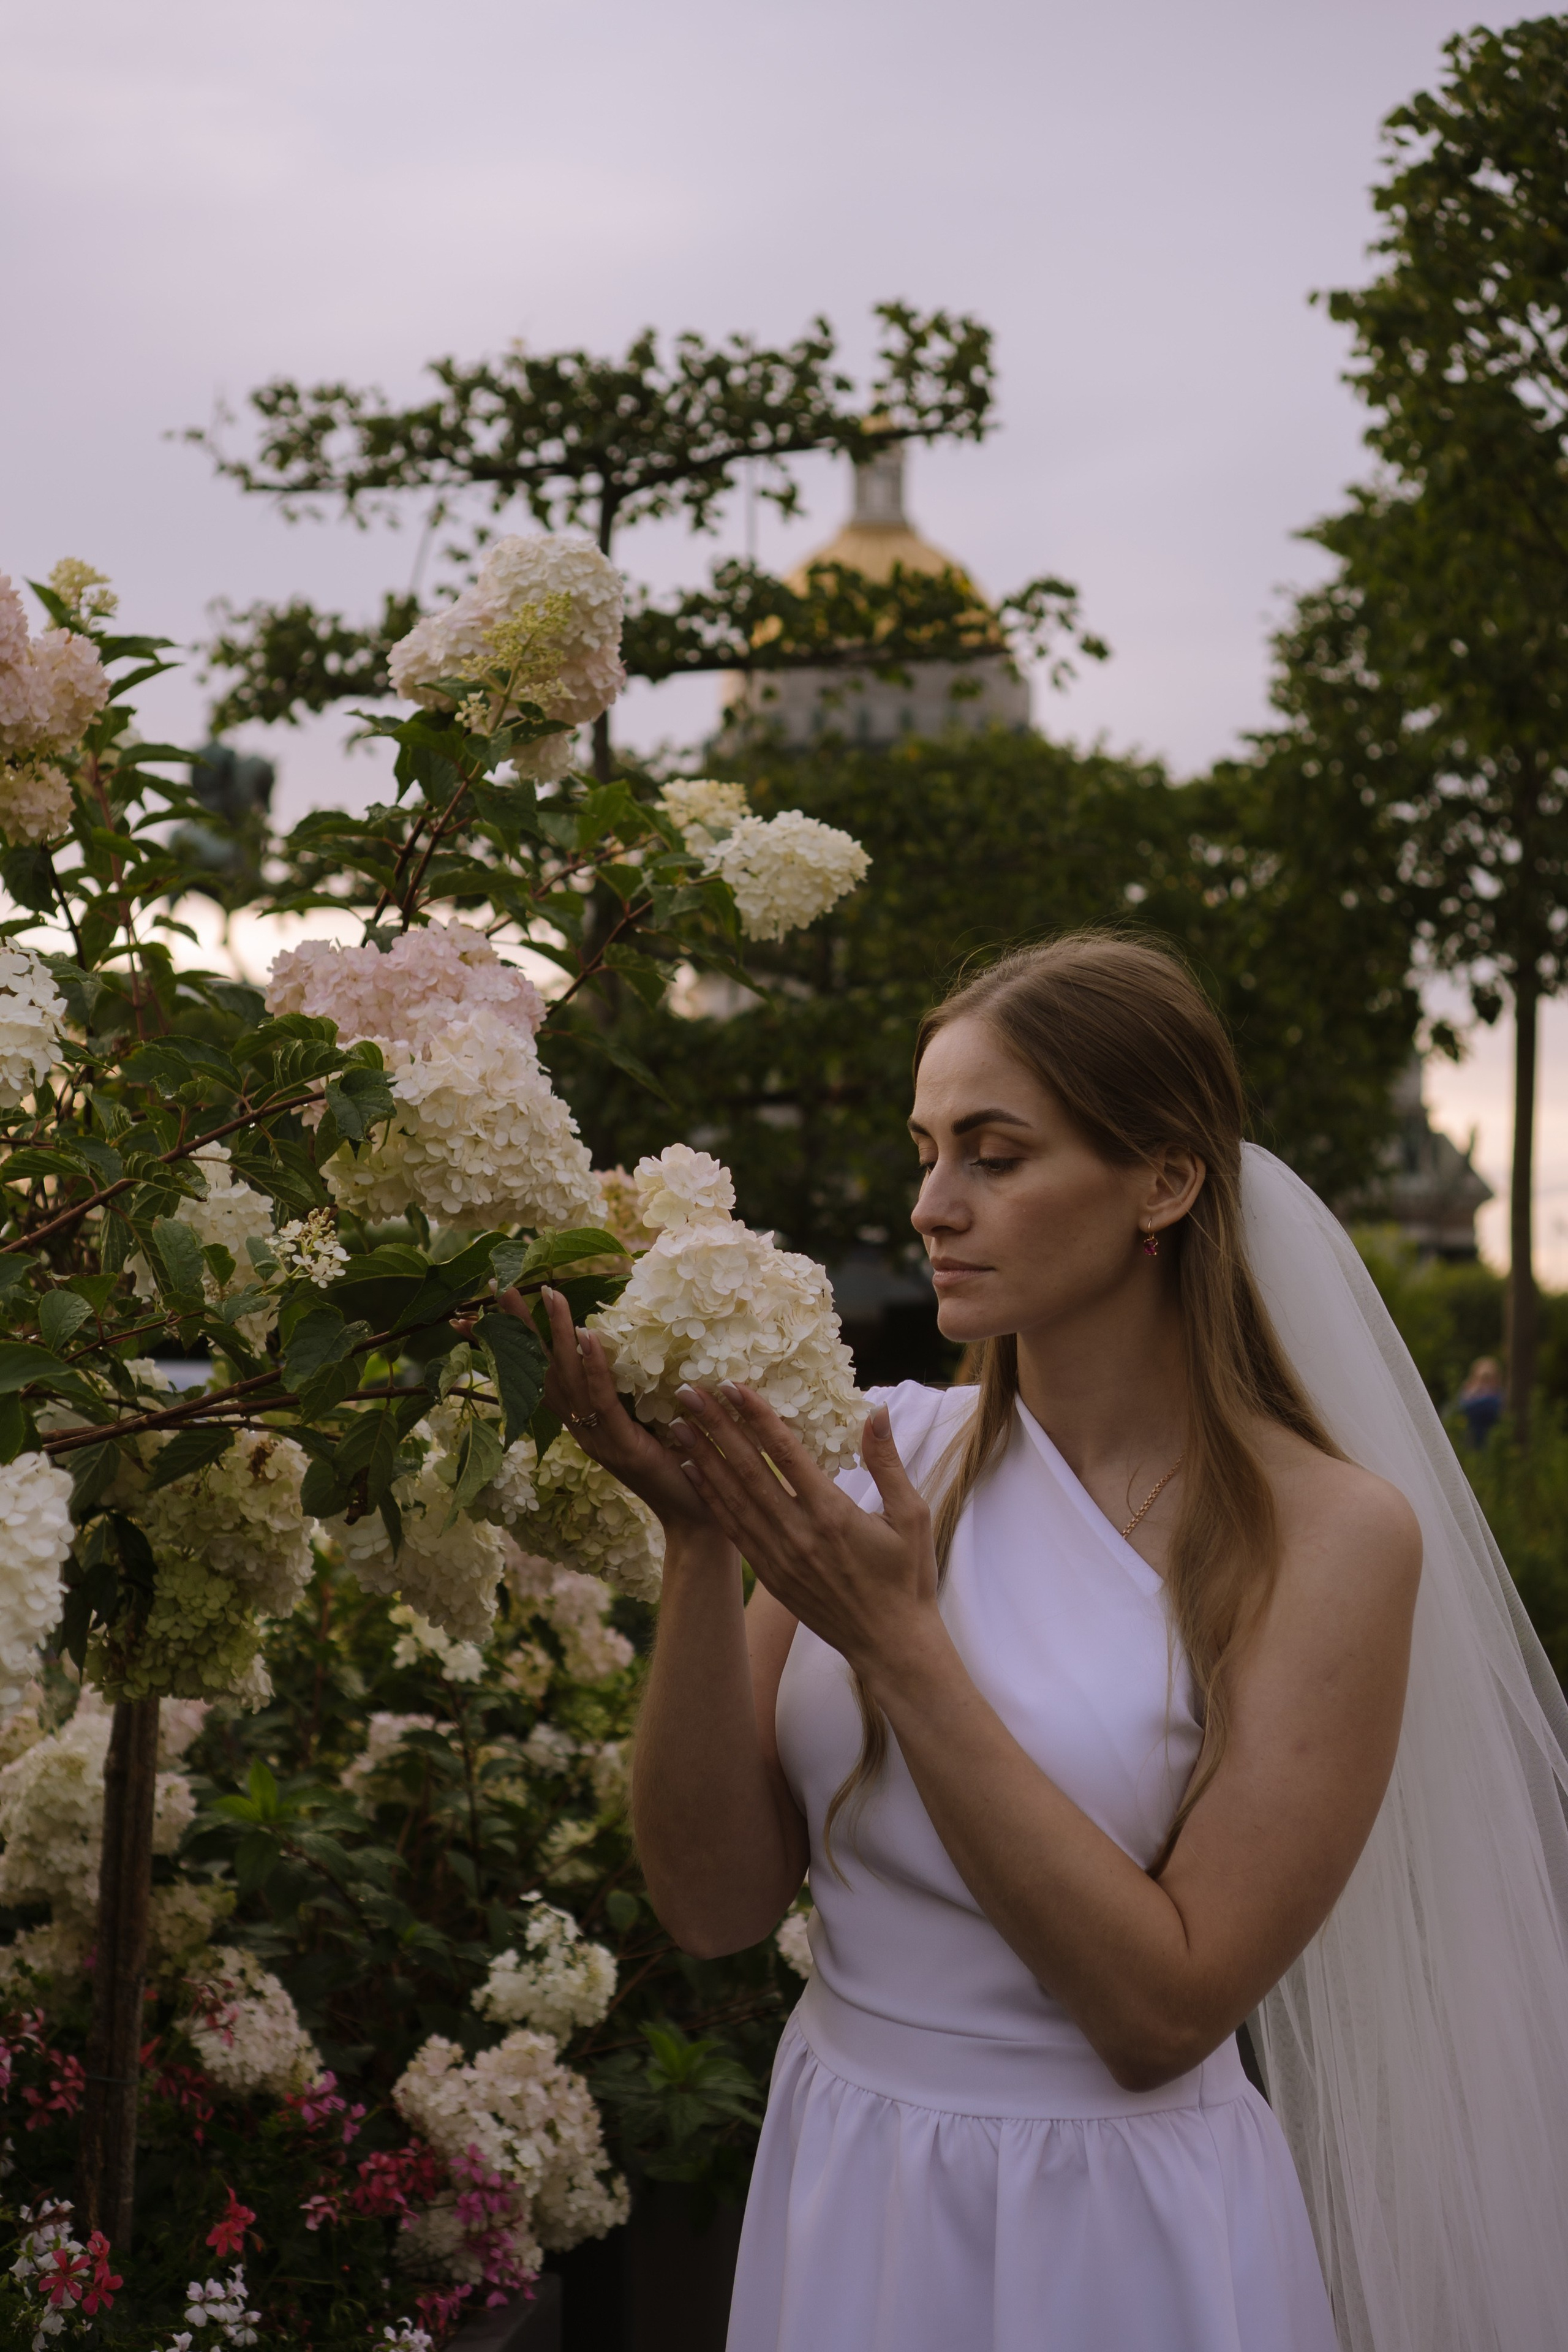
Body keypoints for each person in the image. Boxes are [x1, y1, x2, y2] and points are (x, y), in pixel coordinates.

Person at [529, 934, 1568, 2352]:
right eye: (923, 1149)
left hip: (1110, 2224)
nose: (930, 1206)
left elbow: (1161, 2009)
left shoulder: (1327, 1535)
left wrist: (903, 1648)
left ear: (1163, 1177)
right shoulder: (880, 1453)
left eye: (993, 1154)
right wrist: (701, 1551)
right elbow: (711, 1905)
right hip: (847, 2179)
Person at [1455, 1354, 1504, 1451]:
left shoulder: (1499, 1400)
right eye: (1482, 1379)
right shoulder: (1466, 1397)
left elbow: (1470, 1409)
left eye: (1488, 1379)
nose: (1484, 1384)